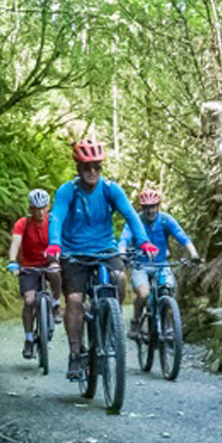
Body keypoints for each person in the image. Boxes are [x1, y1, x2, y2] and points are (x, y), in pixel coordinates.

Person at [45, 139, 153, 382]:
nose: (92, 172)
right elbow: (56, 218)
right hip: (74, 252)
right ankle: (75, 353)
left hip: (105, 249)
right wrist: (54, 244)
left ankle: (109, 320)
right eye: (87, 167)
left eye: (97, 167)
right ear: (78, 169)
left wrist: (143, 240)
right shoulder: (67, 191)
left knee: (119, 277)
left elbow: (130, 214)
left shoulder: (110, 189)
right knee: (74, 300)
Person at [118, 187, 202, 337]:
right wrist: (122, 253)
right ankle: (135, 322)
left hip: (161, 263)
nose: (150, 211)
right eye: (146, 208)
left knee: (168, 290)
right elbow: (124, 239)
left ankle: (169, 325)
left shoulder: (165, 219)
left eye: (152, 207)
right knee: (143, 294)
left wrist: (194, 254)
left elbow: (182, 237)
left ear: (158, 206)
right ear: (141, 208)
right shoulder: (135, 220)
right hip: (140, 265)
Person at [6, 188, 63, 359]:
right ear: (30, 209)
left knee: (55, 270)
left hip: (49, 262)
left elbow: (62, 240)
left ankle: (56, 303)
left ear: (48, 207)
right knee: (29, 301)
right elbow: (16, 242)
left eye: (42, 208)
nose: (39, 212)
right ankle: (29, 339)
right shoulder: (22, 223)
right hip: (29, 266)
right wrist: (12, 261)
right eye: (35, 208)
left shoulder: (53, 222)